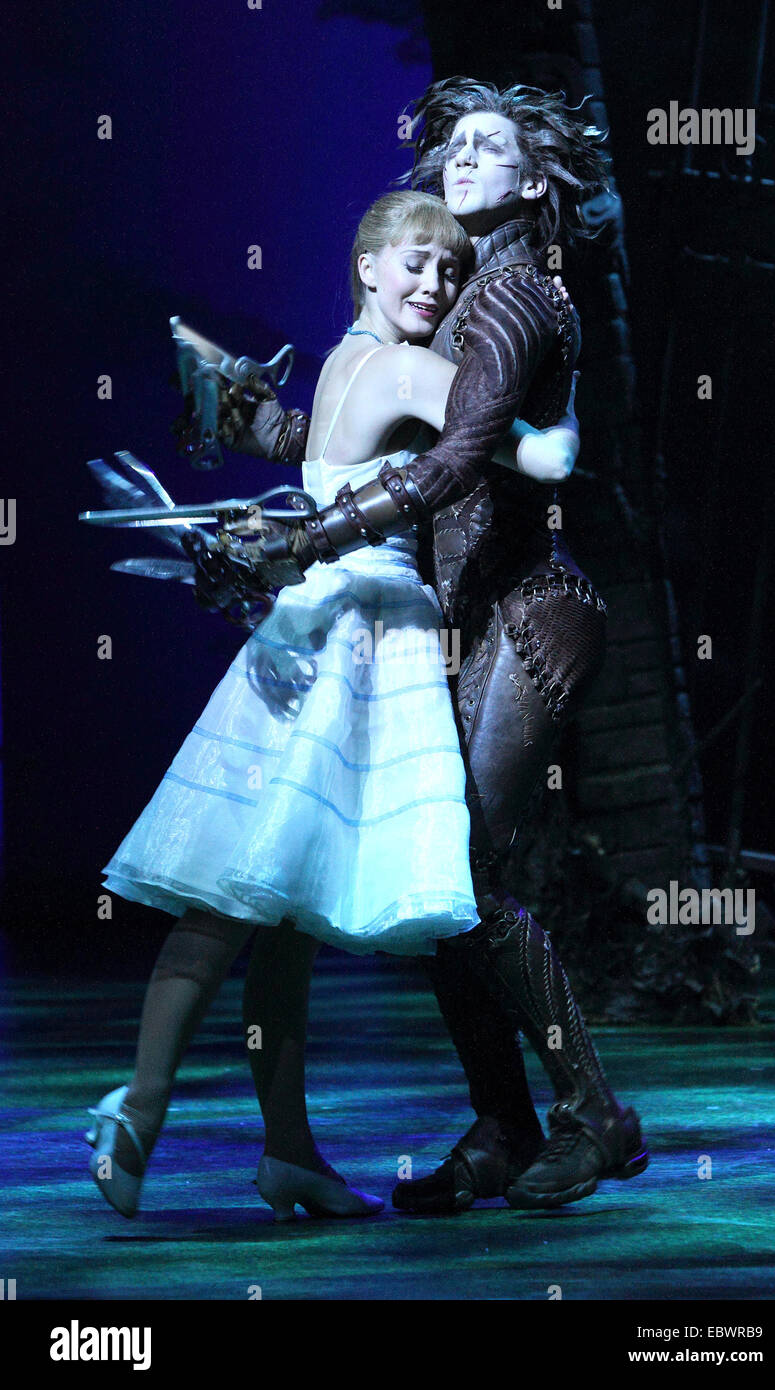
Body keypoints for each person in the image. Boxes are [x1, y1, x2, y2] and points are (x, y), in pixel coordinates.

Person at [85, 190, 579, 1221]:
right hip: (359, 639)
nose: (436, 287)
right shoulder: (402, 367)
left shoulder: (338, 359)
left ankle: (289, 1152)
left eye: (449, 273)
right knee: (234, 898)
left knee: (282, 910)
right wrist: (550, 414)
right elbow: (533, 451)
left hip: (306, 624)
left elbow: (319, 461)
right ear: (365, 266)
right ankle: (138, 1107)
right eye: (414, 265)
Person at [237, 79, 649, 1213]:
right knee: (438, 881)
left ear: (531, 179)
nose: (462, 160)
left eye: (489, 150)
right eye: (454, 145)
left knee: (466, 875)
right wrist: (253, 424)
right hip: (473, 616)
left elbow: (462, 458)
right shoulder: (464, 295)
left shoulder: (514, 299)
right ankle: (507, 1125)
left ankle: (591, 1113)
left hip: (528, 615)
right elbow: (371, 444)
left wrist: (311, 535)